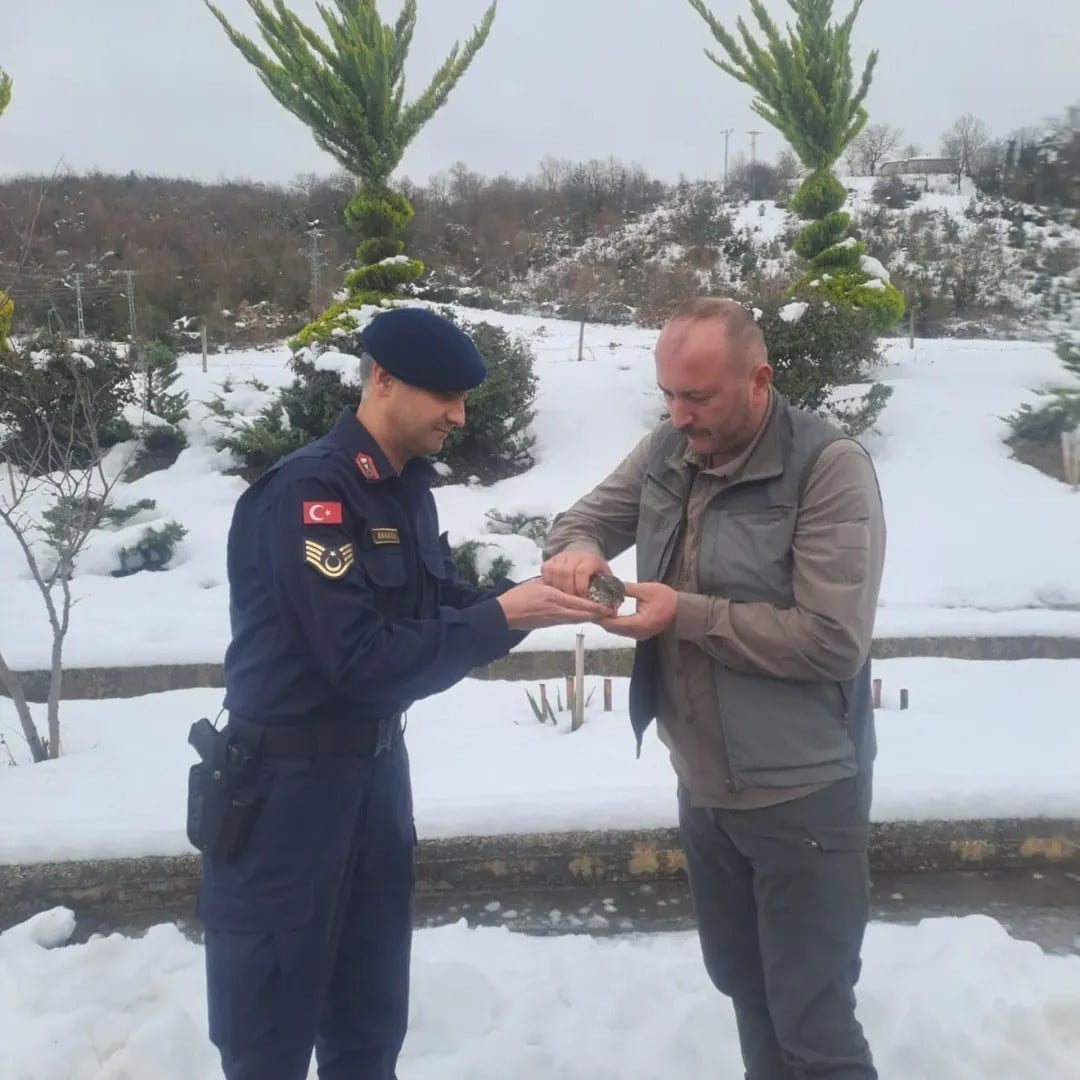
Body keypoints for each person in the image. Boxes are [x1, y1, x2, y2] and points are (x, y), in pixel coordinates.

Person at [190, 306, 612, 1080]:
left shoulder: (404, 489)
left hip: (373, 787)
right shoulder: (309, 494)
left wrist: (537, 600)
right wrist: (500, 617)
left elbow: (438, 607)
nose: (458, 415)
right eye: (442, 395)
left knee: (368, 1027)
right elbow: (360, 660)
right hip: (285, 798)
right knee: (268, 1042)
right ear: (381, 380)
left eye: (463, 398)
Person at [542, 296, 886, 1080]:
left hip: (801, 798)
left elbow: (832, 641)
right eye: (667, 394)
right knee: (749, 994)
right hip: (704, 790)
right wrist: (578, 556)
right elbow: (581, 519)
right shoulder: (669, 449)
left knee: (815, 1023)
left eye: (697, 397)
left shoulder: (828, 468)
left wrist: (683, 614)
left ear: (758, 380)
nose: (679, 415)